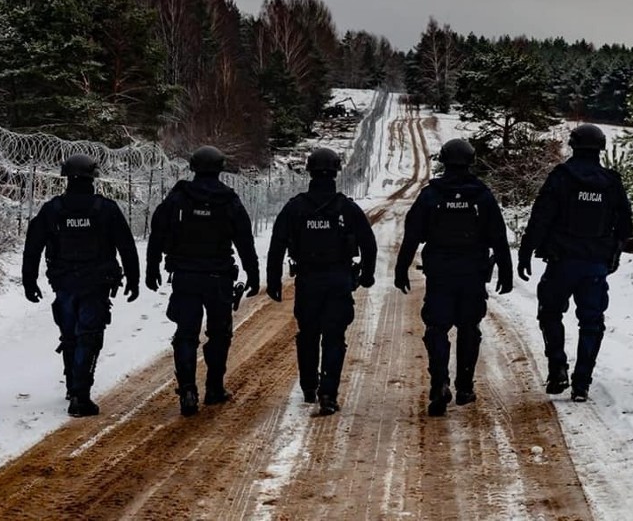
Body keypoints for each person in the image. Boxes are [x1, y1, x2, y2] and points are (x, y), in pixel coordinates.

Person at [394, 138, 513, 417]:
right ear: (471, 160)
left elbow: (412, 234)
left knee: (437, 328)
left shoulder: (431, 195)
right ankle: (464, 386)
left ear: (443, 160)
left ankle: (439, 383)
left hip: (440, 274)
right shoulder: (481, 195)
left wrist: (401, 269)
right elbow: (498, 236)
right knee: (469, 328)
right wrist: (505, 272)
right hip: (472, 274)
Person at [518, 124, 632, 402]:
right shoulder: (611, 181)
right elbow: (626, 226)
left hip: (561, 263)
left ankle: (557, 367)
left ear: (573, 145)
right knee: (592, 322)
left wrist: (526, 251)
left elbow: (541, 217)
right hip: (595, 265)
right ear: (601, 147)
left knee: (550, 313)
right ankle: (582, 383)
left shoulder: (561, 177)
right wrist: (613, 253)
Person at [22, 153, 140, 417]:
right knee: (89, 336)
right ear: (93, 178)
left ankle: (72, 385)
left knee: (70, 334)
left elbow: (33, 246)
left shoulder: (53, 209)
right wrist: (134, 278)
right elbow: (126, 246)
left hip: (63, 283)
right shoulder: (105, 209)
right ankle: (80, 395)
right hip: (96, 283)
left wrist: (29, 280)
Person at [146, 145, 260, 416]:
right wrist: (253, 273)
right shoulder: (228, 199)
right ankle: (214, 387)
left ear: (193, 167)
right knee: (220, 334)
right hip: (218, 277)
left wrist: (151, 268)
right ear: (221, 168)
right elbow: (244, 239)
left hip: (185, 276)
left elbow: (158, 231)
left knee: (185, 334)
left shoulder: (178, 197)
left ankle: (187, 389)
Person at [266, 147, 377, 416]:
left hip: (308, 280)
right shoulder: (347, 208)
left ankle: (308, 387)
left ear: (310, 172)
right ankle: (328, 393)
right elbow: (369, 245)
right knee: (334, 337)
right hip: (338, 280)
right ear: (336, 172)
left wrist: (273, 281)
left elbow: (277, 244)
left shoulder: (296, 207)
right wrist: (367, 274)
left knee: (308, 335)